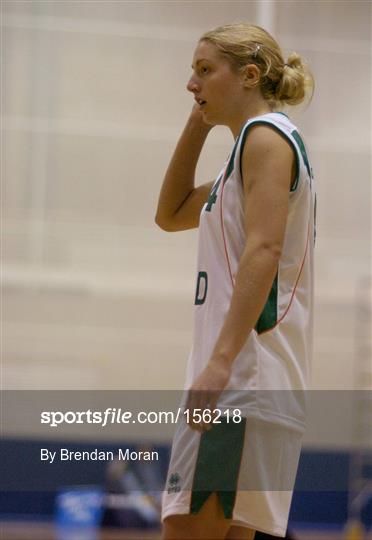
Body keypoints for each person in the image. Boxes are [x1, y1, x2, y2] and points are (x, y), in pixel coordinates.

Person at [155, 22, 315, 540]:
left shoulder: (265, 137)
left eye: (205, 71)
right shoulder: (244, 157)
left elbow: (264, 249)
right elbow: (171, 211)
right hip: (248, 388)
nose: (191, 84)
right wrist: (200, 121)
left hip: (239, 384)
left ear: (249, 75)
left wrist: (219, 361)